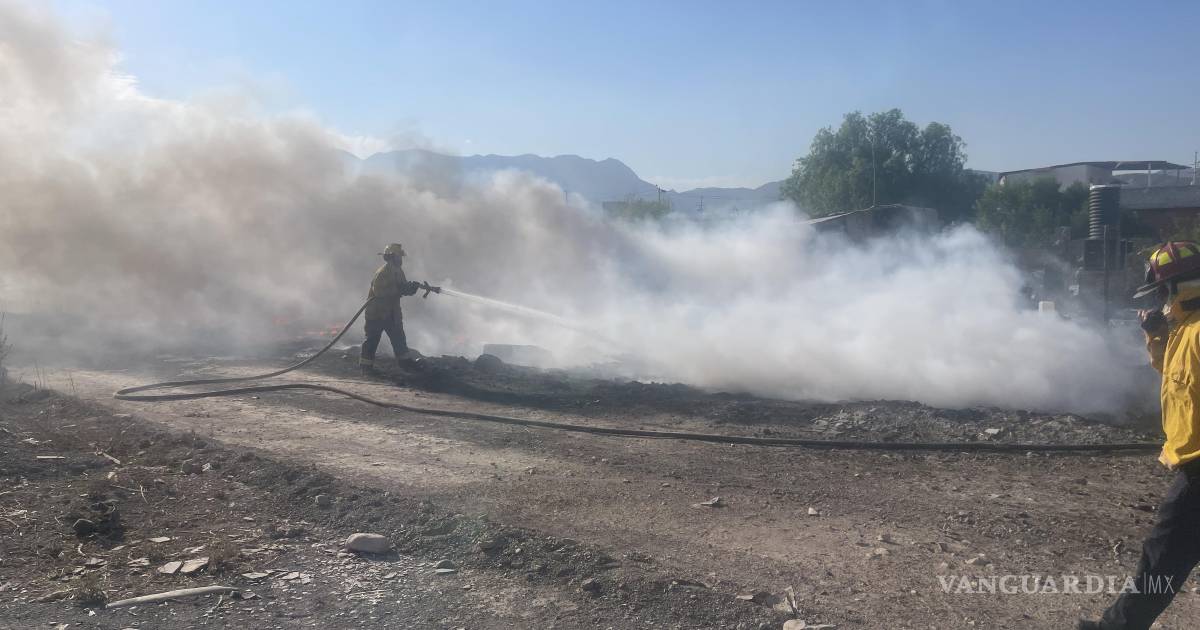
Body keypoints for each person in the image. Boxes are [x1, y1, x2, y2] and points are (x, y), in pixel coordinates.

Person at [1079, 241, 1200, 629]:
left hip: (1198, 470)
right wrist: (1156, 334)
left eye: (1161, 291)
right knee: (1165, 558)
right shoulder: (1184, 329)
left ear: (1177, 287)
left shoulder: (1197, 330)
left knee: (1162, 558)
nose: (1159, 301)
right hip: (1190, 462)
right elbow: (1173, 372)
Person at [360, 243, 421, 375]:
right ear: (391, 257)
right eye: (399, 256)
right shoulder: (383, 272)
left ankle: (405, 363)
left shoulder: (398, 271)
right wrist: (399, 289)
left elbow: (402, 287)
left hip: (392, 313)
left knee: (399, 338)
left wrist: (410, 288)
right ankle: (366, 367)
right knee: (372, 340)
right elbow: (379, 292)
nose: (401, 259)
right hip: (377, 314)